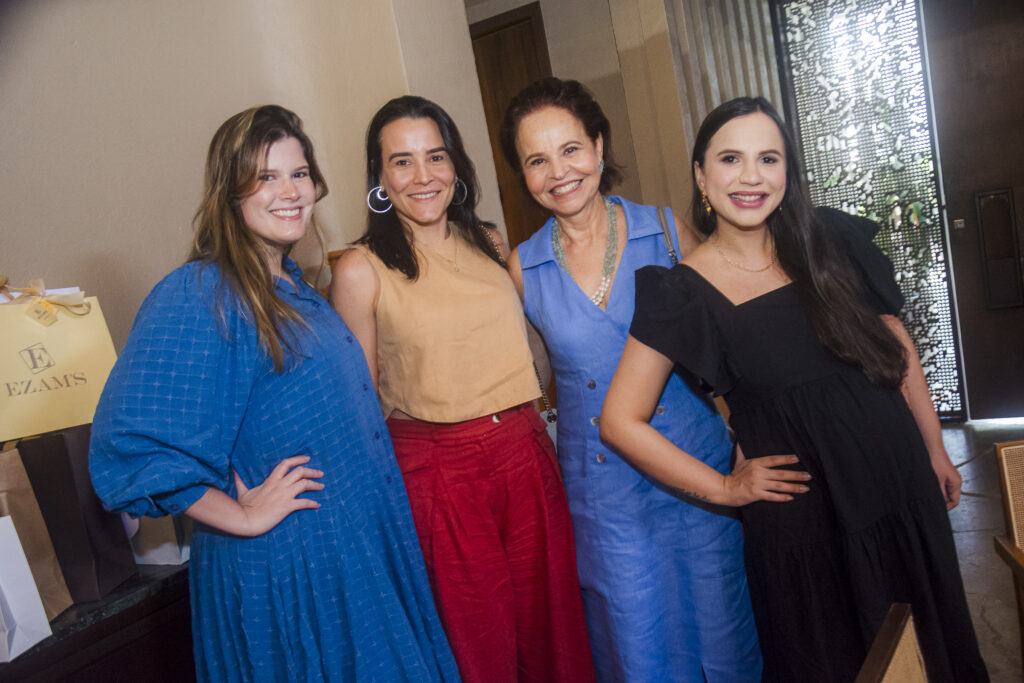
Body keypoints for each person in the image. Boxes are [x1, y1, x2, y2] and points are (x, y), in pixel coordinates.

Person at [601, 96, 988, 682]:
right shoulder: (681, 291)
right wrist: (726, 488)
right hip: (805, 522)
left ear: (788, 171)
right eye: (731, 158)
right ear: (702, 176)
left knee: (930, 648)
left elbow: (895, 345)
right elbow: (620, 420)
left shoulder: (831, 239)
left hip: (897, 484)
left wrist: (934, 445)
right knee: (835, 659)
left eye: (769, 158)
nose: (751, 176)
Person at [89, 105, 459, 682]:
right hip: (292, 565)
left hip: (357, 552)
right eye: (266, 177)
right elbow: (133, 446)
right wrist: (238, 514)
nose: (290, 192)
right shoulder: (202, 291)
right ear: (230, 191)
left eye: (299, 173)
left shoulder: (295, 286)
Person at [496, 77, 763, 682]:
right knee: (636, 644)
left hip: (698, 472)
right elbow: (537, 375)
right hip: (604, 494)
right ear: (523, 173)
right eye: (536, 160)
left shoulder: (667, 231)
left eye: (570, 149)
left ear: (597, 146)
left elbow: (732, 344)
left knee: (723, 637)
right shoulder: (523, 265)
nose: (558, 172)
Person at [330, 95, 594, 683]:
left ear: (457, 166)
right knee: (478, 647)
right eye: (402, 162)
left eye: (436, 156)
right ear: (379, 178)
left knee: (556, 633)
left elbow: (534, 350)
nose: (423, 177)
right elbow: (358, 410)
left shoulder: (491, 243)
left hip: (526, 454)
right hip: (438, 474)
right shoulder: (359, 268)